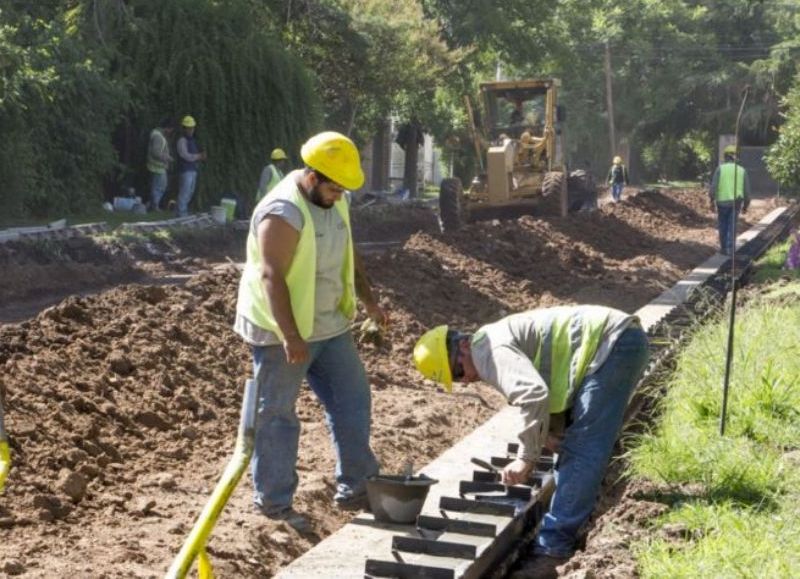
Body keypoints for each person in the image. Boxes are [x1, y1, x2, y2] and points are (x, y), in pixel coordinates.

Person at [413, 305, 649, 579]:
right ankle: (573, 515)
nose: (465, 379)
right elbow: (552, 379)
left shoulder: (487, 351)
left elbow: (533, 395)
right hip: (617, 343)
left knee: (583, 449)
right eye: (457, 379)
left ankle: (552, 550)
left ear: (463, 345)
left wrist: (526, 456)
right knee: (575, 447)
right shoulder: (489, 343)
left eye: (457, 370)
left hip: (612, 347)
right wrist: (549, 434)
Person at [234, 131, 387, 533]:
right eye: (334, 188)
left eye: (343, 189)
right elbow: (271, 275)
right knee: (277, 415)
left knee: (352, 399)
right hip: (280, 331)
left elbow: (349, 252)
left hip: (330, 325)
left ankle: (356, 487)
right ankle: (275, 504)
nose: (339, 195)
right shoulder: (283, 211)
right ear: (312, 176)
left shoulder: (338, 201)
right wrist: (290, 336)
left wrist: (369, 301)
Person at [709, 144, 750, 255]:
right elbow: (747, 192)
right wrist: (746, 206)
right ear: (736, 157)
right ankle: (731, 249)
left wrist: (711, 201)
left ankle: (723, 249)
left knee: (722, 225)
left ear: (725, 156)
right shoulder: (742, 171)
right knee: (732, 225)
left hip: (721, 202)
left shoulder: (720, 169)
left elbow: (713, 187)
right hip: (736, 203)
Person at [175, 115, 207, 217]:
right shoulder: (181, 140)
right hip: (185, 170)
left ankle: (180, 210)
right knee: (184, 192)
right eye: (189, 128)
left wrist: (200, 156)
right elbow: (185, 155)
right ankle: (181, 213)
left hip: (193, 170)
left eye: (192, 128)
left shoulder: (192, 140)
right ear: (184, 128)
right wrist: (199, 156)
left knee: (190, 191)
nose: (191, 130)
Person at [146, 117, 174, 211]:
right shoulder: (158, 136)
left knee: (158, 187)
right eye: (171, 129)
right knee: (159, 187)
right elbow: (156, 152)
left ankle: (152, 204)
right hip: (157, 167)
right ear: (167, 128)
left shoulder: (158, 134)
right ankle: (154, 205)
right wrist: (167, 158)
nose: (171, 132)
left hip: (158, 167)